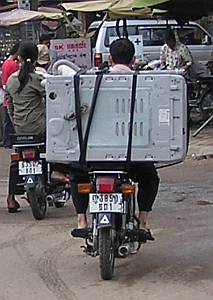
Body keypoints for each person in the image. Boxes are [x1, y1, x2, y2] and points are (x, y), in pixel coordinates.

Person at [71, 39, 160, 238]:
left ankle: (81, 219)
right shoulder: (144, 83)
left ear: (109, 59)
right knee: (150, 178)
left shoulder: (92, 81)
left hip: (94, 157)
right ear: (133, 59)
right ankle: (143, 220)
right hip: (131, 159)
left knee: (76, 175)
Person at [5, 42, 45, 212]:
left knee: (16, 160)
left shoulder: (11, 80)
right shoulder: (37, 79)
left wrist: (16, 122)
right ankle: (58, 176)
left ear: (19, 58)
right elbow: (52, 96)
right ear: (37, 58)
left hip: (19, 130)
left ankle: (10, 197)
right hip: (39, 129)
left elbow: (10, 106)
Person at [1, 43, 19, 147]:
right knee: (11, 121)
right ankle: (9, 141)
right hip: (12, 95)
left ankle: (6, 141)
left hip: (6, 96)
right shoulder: (13, 64)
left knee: (7, 122)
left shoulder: (5, 63)